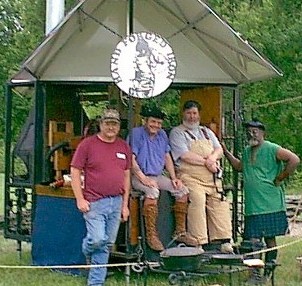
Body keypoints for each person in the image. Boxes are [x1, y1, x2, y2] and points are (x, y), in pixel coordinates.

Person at [223, 119, 300, 279]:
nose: (251, 134)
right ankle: (255, 274)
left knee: (270, 239)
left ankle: (268, 272)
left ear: (262, 133)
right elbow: (239, 167)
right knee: (251, 242)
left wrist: (281, 177)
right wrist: (225, 151)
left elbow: (294, 159)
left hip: (270, 203)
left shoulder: (272, 148)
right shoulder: (246, 151)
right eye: (249, 131)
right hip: (253, 205)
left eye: (255, 131)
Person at [70, 109, 131, 286]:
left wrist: (125, 205)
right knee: (98, 240)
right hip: (94, 202)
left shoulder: (123, 146)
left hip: (117, 201)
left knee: (106, 243)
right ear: (101, 124)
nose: (111, 127)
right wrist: (79, 199)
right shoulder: (87, 145)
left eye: (114, 124)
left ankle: (95, 280)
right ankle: (93, 273)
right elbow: (75, 171)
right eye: (107, 123)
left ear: (119, 126)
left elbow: (127, 176)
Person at [129, 104, 198, 251]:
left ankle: (180, 231)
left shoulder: (162, 135)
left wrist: (174, 178)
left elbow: (167, 157)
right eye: (153, 122)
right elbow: (131, 159)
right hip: (137, 175)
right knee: (152, 191)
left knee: (182, 191)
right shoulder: (136, 133)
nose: (156, 125)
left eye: (159, 123)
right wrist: (142, 178)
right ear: (145, 121)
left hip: (157, 175)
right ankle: (151, 235)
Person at [169, 100, 233, 252]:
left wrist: (212, 159)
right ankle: (198, 242)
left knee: (220, 203)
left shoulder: (207, 131)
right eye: (189, 113)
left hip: (211, 178)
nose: (192, 117)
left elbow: (219, 150)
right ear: (183, 114)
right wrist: (207, 162)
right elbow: (184, 155)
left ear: (199, 114)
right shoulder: (177, 132)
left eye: (194, 113)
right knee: (197, 200)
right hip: (190, 177)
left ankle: (223, 241)